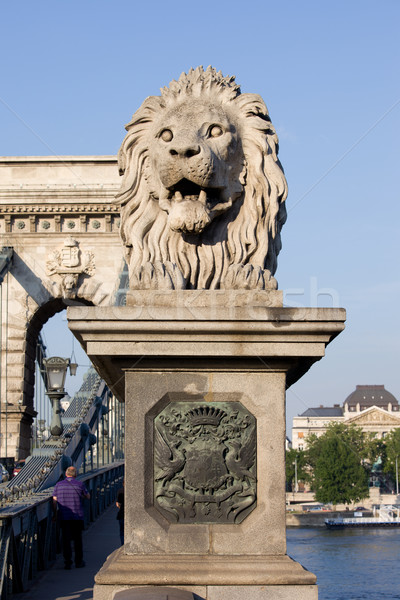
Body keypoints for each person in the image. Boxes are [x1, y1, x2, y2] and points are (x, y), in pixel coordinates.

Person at [53, 466, 90, 569]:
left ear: (66, 474)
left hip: (64, 517)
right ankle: (78, 562)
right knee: (78, 540)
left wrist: (55, 515)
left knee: (66, 540)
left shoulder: (58, 485)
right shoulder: (80, 484)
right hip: (77, 516)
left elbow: (54, 500)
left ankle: (67, 562)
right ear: (75, 475)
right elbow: (88, 496)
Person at [116, 479, 124, 545]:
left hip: (122, 514)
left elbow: (118, 504)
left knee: (122, 532)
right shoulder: (133, 492)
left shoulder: (120, 491)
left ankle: (123, 546)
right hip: (131, 516)